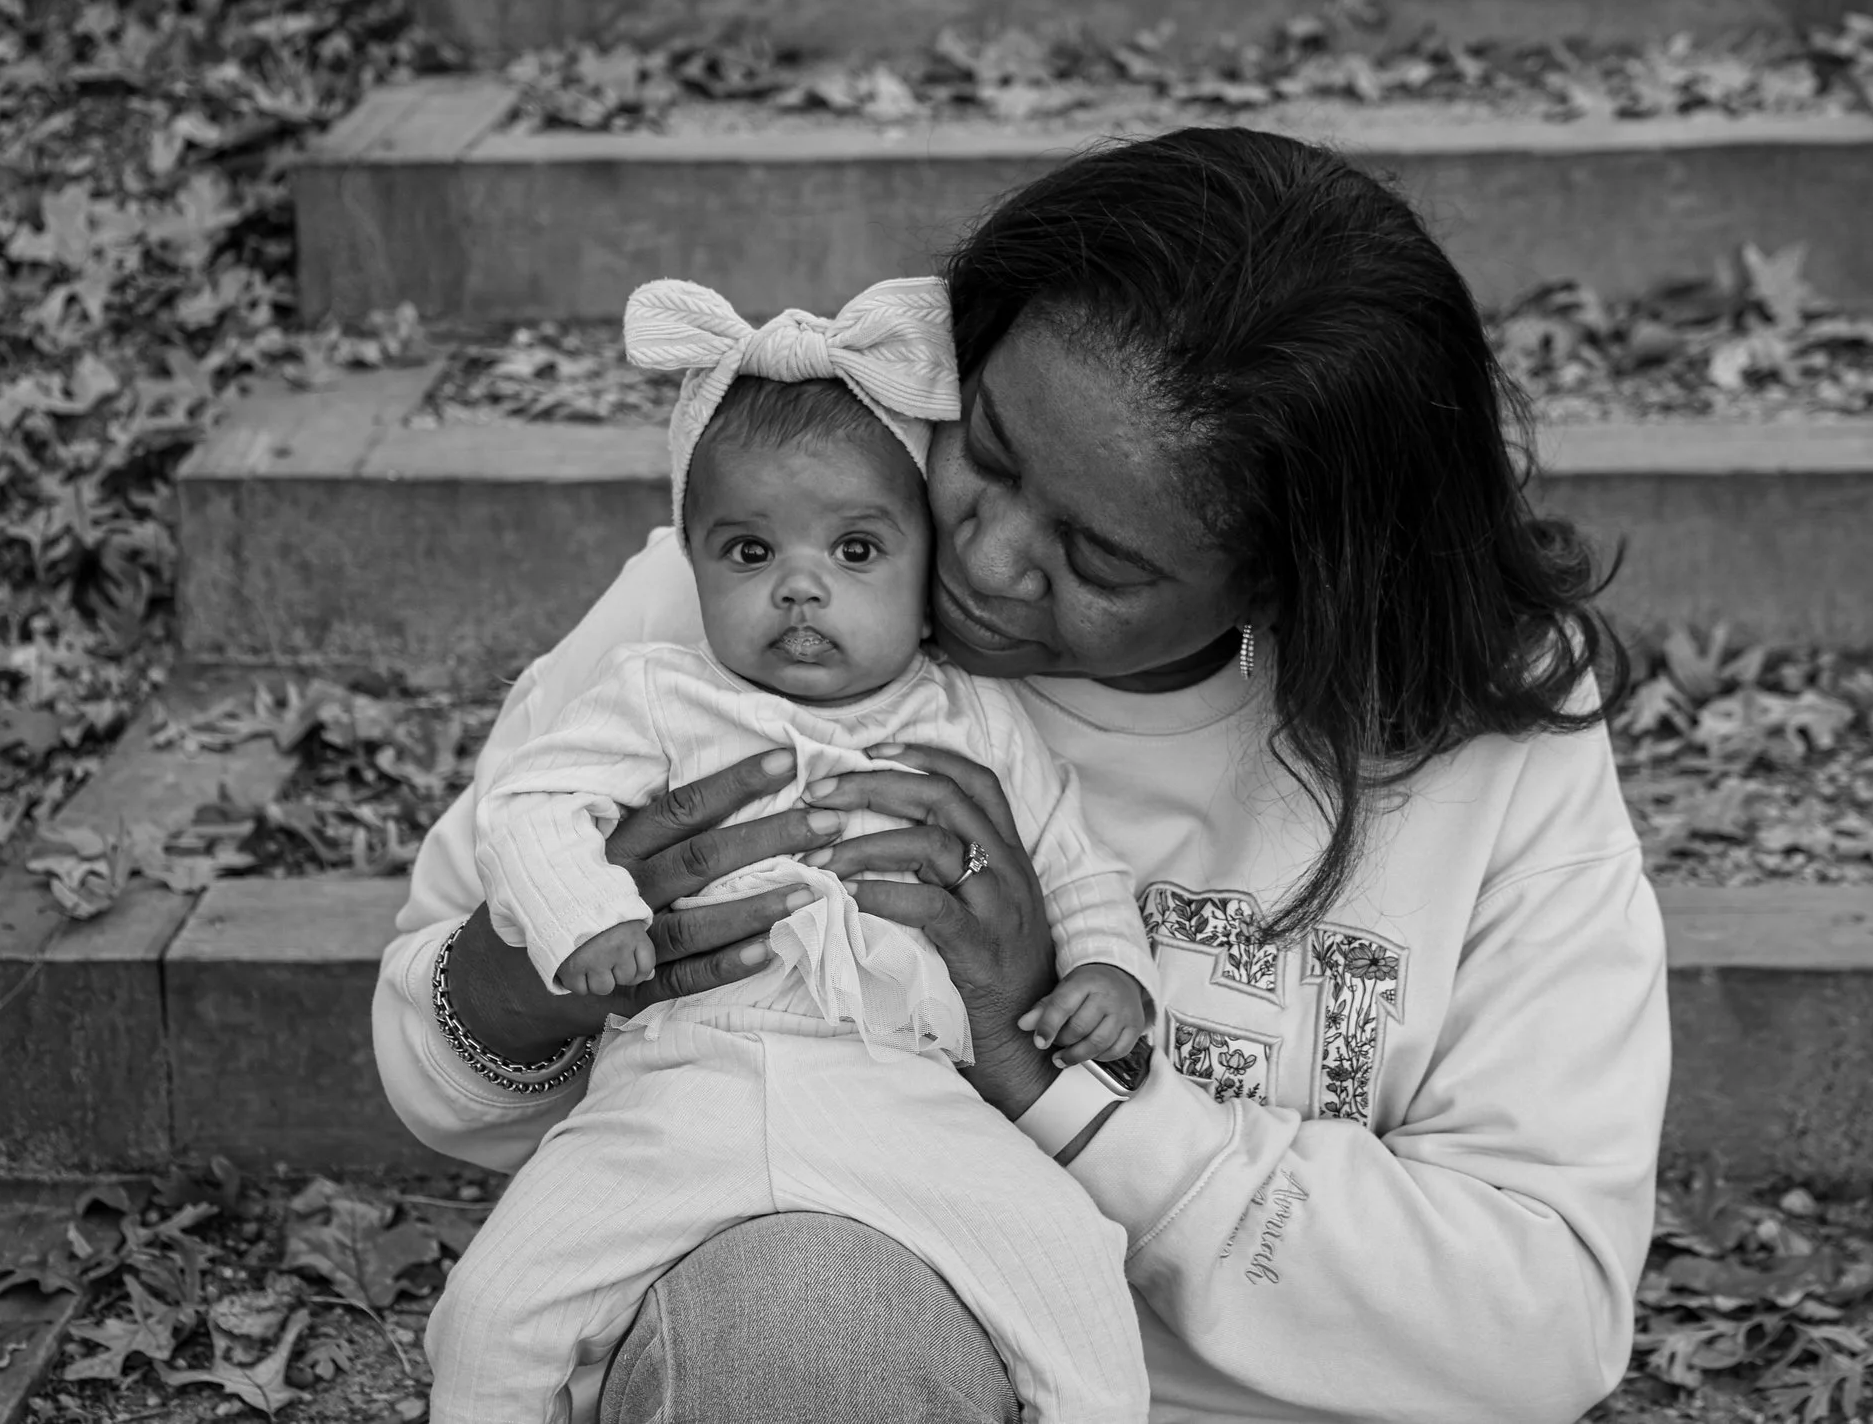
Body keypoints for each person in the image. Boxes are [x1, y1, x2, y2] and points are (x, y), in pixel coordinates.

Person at [374, 126, 1672, 1424]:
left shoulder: (1472, 728)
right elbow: (439, 1075)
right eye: (986, 448)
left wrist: (1047, 1067)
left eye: (1099, 559)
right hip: (845, 1357)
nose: (986, 558)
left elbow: (1542, 1315)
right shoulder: (734, 614)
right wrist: (544, 966)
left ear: (1293, 578)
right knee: (804, 1307)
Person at [424, 276, 1156, 1423]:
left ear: (927, 571)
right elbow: (535, 800)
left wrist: (1111, 967)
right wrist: (586, 915)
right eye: (749, 548)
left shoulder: (969, 718)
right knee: (489, 1309)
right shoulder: (659, 691)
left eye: (856, 547)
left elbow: (1070, 862)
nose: (800, 585)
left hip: (904, 1086)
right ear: (694, 559)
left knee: (1071, 1265)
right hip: (677, 1081)